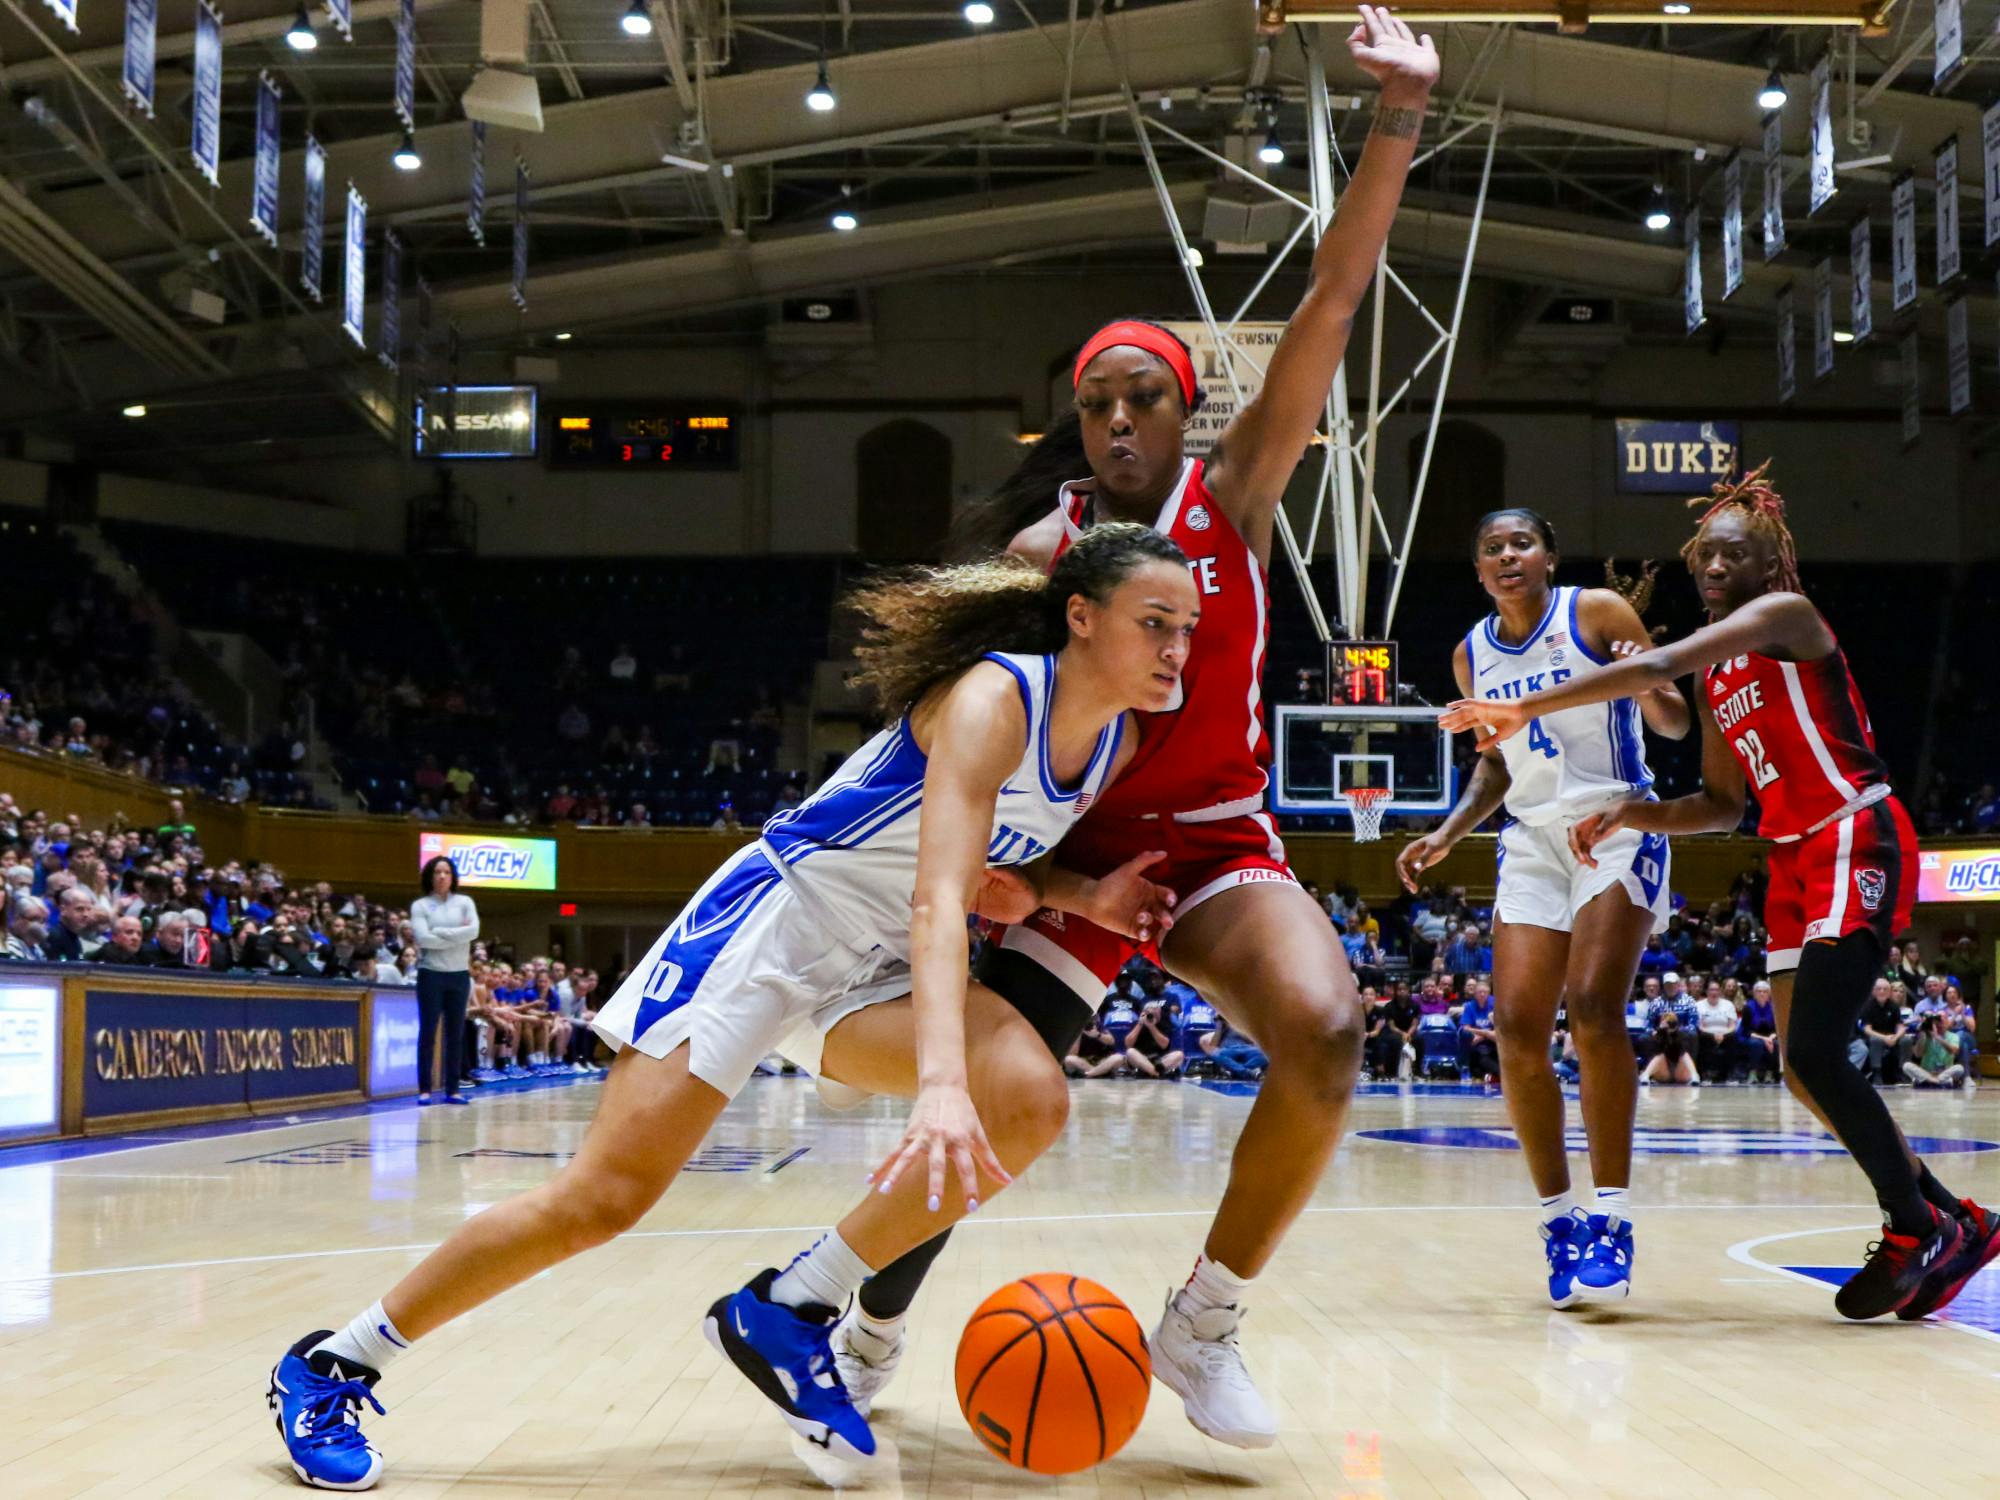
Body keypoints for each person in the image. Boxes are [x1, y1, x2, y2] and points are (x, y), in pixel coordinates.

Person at [267, 523, 1194, 1490]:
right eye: (1155, 623)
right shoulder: (995, 698)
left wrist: (1078, 896)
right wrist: (937, 1082)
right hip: (772, 930)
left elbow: (995, 869)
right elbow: (936, 895)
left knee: (1031, 1100)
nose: (1176, 649)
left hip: (866, 964)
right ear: (1081, 618)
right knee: (601, 1202)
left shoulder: (1115, 739)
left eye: (1189, 629)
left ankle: (793, 1305)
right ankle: (332, 1363)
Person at [829, 8, 1439, 1450]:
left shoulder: (1226, 500)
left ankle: (1206, 1320)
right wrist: (1025, 884)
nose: (1116, 418)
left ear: (1183, 411)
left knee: (1330, 1032)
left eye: (1142, 395)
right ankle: (861, 1325)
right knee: (989, 1098)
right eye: (1096, 400)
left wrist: (1399, 118)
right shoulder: (1044, 560)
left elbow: (1336, 303)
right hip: (1075, 862)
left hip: (1214, 841)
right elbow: (951, 737)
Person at [1441, 460, 2000, 1322]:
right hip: (1786, 857)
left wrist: (1529, 707)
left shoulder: (1784, 616)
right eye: (1703, 556)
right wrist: (1637, 811)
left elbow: (1657, 662)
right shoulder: (1721, 676)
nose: (1711, 568)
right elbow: (1720, 805)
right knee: (1803, 1072)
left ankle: (1914, 1227)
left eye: (1730, 556)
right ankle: (1950, 1219)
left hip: (1854, 829)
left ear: (1770, 565)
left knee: (1815, 1052)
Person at [1397, 508, 1688, 1307]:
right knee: (1518, 1030)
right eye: (1491, 547)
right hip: (1531, 841)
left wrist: (1657, 683)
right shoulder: (1471, 653)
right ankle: (1561, 1221)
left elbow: (1671, 720)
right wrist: (1448, 832)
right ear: (1479, 570)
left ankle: (1614, 1218)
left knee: (1594, 1006)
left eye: (1521, 542)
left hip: (1616, 821)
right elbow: (1497, 767)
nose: (1506, 555)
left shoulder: (1594, 611)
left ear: (1549, 556)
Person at [410, 857, 479, 1107]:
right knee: (428, 1032)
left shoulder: (465, 903)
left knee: (455, 1033)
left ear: (452, 876)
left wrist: (441, 933)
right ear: (430, 876)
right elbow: (424, 940)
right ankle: (425, 1089)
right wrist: (456, 937)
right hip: (431, 975)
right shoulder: (420, 906)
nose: (441, 876)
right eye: (437, 872)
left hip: (459, 975)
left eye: (446, 872)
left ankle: (453, 1089)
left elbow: (474, 931)